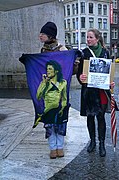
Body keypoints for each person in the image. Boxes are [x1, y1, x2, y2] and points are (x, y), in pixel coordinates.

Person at [77, 28, 117, 157]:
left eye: (90, 37)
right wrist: (80, 78)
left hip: (101, 91)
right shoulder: (83, 53)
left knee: (101, 118)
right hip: (88, 91)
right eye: (87, 37)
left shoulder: (105, 53)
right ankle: (92, 141)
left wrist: (111, 82)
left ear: (97, 39)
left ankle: (102, 144)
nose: (88, 40)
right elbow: (79, 72)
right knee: (90, 117)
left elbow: (110, 71)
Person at [38, 21, 68, 159]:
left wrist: (75, 60)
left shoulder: (62, 50)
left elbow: (70, 68)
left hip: (60, 91)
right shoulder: (43, 51)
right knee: (49, 121)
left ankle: (60, 147)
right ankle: (52, 148)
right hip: (49, 93)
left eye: (43, 34)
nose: (40, 36)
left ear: (50, 35)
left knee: (60, 120)